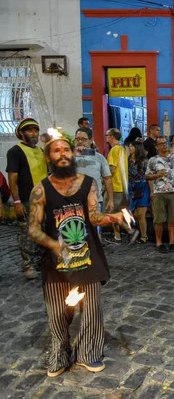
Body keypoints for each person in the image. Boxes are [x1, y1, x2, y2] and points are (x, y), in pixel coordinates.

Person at [27, 132, 125, 377]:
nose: (62, 154)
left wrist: (113, 217)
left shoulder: (88, 183)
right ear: (49, 156)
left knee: (91, 309)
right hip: (56, 264)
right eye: (56, 151)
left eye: (66, 150)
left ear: (73, 154)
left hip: (87, 258)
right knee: (58, 312)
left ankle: (88, 353)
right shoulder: (40, 190)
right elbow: (33, 229)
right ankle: (60, 354)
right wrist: (53, 244)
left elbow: (94, 217)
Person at [6, 118, 47, 279]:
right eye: (29, 130)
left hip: (44, 200)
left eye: (36, 130)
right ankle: (28, 265)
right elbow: (12, 179)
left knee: (42, 232)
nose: (34, 133)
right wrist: (16, 202)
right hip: (26, 201)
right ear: (21, 133)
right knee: (27, 234)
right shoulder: (15, 151)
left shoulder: (41, 151)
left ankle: (40, 263)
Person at [145, 136, 174, 252]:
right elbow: (147, 176)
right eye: (161, 144)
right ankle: (159, 242)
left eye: (165, 143)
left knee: (172, 220)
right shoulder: (153, 160)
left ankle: (171, 242)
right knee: (159, 220)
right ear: (156, 147)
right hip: (159, 192)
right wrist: (157, 175)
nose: (164, 145)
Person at [74, 127, 114, 227]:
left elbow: (107, 179)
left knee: (95, 230)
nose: (80, 142)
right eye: (77, 139)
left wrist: (110, 200)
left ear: (91, 140)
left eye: (83, 139)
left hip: (95, 201)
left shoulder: (99, 157)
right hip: (74, 201)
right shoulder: (69, 156)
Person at [105, 128, 129, 244]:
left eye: (107, 135)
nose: (106, 137)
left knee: (111, 213)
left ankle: (127, 232)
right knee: (116, 213)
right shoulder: (122, 150)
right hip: (122, 186)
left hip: (115, 186)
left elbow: (111, 169)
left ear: (112, 137)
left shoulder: (114, 150)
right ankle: (118, 235)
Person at [126, 141, 150, 243]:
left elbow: (148, 175)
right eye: (130, 146)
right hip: (131, 187)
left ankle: (144, 236)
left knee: (141, 214)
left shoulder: (144, 161)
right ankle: (138, 232)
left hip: (143, 186)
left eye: (132, 146)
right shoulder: (129, 159)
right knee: (133, 213)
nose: (130, 148)